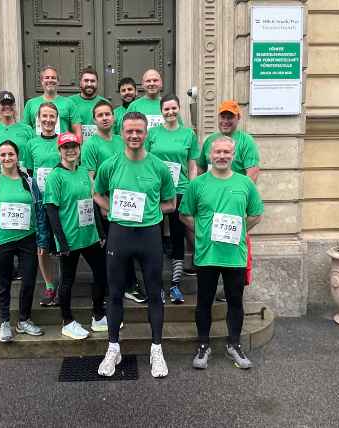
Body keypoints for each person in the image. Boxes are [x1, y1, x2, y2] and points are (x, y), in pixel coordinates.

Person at [94, 112, 176, 378]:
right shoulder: (110, 164)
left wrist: (148, 211)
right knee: (115, 293)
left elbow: (171, 203)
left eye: (139, 131)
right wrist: (114, 210)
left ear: (146, 133)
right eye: (129, 131)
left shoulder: (159, 167)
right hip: (119, 234)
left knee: (154, 293)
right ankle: (113, 347)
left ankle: (156, 349)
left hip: (149, 235)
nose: (134, 136)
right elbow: (97, 194)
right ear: (122, 133)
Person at [179, 136, 263, 370]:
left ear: (233, 156)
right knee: (204, 302)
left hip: (234, 255)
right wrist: (205, 232)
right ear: (209, 155)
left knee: (235, 302)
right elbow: (184, 214)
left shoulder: (245, 184)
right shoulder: (197, 184)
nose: (222, 156)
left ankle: (234, 344)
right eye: (218, 152)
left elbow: (256, 214)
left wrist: (239, 230)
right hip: (207, 254)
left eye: (227, 152)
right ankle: (203, 345)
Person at [0, 140, 50, 343]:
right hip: (3, 241)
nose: (7, 158)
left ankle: (24, 320)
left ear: (17, 156)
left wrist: (43, 240)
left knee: (28, 282)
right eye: (3, 155)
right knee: (3, 284)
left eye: (11, 154)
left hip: (28, 239)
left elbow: (39, 210)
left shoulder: (29, 181)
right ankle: (4, 322)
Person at [81, 100, 147, 303]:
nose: (104, 118)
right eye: (100, 115)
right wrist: (103, 205)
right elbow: (90, 177)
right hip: (106, 203)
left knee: (130, 244)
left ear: (114, 116)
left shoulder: (122, 139)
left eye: (107, 114)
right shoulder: (91, 144)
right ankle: (116, 285)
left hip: (129, 202)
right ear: (94, 120)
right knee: (112, 247)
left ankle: (130, 284)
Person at [44, 132, 108, 340]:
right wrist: (61, 242)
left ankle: (98, 315)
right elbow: (51, 211)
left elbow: (93, 202)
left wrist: (100, 232)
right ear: (59, 150)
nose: (70, 150)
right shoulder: (55, 176)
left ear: (79, 148)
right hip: (69, 239)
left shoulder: (83, 172)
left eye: (74, 146)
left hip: (89, 236)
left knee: (101, 274)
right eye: (66, 147)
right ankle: (67, 321)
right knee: (67, 280)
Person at [196, 100, 261, 291]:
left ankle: (232, 290)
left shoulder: (246, 141)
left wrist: (240, 202)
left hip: (233, 205)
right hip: (210, 204)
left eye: (230, 117)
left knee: (234, 251)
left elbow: (253, 173)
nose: (226, 121)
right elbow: (200, 167)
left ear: (238, 118)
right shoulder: (210, 141)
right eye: (223, 116)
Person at [145, 94, 199, 304]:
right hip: (156, 192)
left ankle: (175, 285)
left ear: (179, 109)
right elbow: (145, 160)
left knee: (178, 237)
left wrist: (192, 186)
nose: (170, 112)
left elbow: (192, 163)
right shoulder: (152, 133)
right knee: (154, 239)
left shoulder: (188, 134)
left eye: (173, 108)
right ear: (161, 111)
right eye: (166, 109)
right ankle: (156, 286)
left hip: (180, 190)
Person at [28, 102, 61, 306]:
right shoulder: (31, 144)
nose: (48, 120)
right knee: (43, 247)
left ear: (57, 119)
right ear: (38, 119)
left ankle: (64, 283)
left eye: (52, 116)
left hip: (62, 204)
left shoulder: (64, 142)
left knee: (63, 244)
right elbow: (28, 174)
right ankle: (49, 286)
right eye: (45, 116)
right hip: (40, 204)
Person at [22, 65, 82, 140]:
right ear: (41, 81)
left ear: (58, 82)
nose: (50, 80)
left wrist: (78, 149)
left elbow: (77, 131)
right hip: (38, 149)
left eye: (53, 78)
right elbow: (25, 131)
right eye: (47, 78)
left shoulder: (69, 103)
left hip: (62, 149)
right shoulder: (30, 104)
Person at [0, 91, 34, 171]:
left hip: (24, 177)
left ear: (14, 106)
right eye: (3, 104)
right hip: (0, 178)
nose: (7, 106)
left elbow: (33, 154)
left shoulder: (27, 129)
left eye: (10, 104)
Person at [68, 67, 107, 140]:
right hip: (75, 147)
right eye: (86, 81)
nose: (89, 84)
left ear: (97, 83)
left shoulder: (105, 103)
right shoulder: (70, 102)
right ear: (80, 82)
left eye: (92, 81)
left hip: (98, 147)